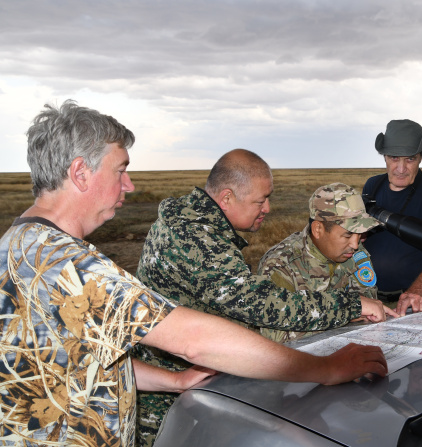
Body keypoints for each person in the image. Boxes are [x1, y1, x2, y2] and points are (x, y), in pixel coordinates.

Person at [0, 100, 387, 447]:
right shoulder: (70, 266)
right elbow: (194, 340)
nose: (130, 185)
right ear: (81, 173)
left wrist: (172, 380)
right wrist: (325, 368)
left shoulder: (20, 245)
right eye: (121, 170)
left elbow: (81, 353)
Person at [133, 150, 390, 446]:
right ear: (227, 198)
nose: (267, 207)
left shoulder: (190, 220)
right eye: (260, 200)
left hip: (194, 384)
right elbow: (265, 305)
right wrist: (351, 305)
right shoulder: (196, 239)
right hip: (172, 405)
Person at [257, 183, 398, 343]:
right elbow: (278, 338)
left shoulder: (355, 253)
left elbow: (367, 304)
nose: (355, 244)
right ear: (318, 229)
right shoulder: (280, 264)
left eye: (360, 234)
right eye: (348, 235)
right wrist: (346, 313)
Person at [362, 119, 422, 316]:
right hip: (372, 299)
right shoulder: (372, 186)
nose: (401, 168)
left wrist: (420, 288)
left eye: (410, 159)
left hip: (417, 302)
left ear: (421, 158)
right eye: (393, 158)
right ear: (384, 157)